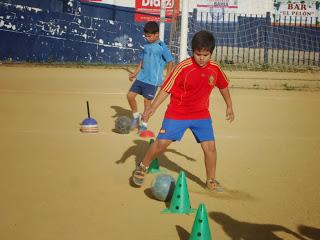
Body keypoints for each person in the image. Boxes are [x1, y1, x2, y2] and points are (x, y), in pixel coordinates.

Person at [131, 30, 235, 192]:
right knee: (161, 144)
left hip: (201, 115)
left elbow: (223, 85)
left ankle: (211, 180)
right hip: (178, 113)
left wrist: (229, 105)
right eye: (198, 54)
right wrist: (152, 108)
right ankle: (143, 166)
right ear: (193, 52)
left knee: (210, 148)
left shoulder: (215, 68)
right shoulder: (183, 67)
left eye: (205, 55)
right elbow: (166, 89)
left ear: (211, 53)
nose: (201, 58)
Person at [127, 21, 174, 133]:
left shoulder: (161, 46)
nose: (147, 38)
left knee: (147, 104)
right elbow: (142, 61)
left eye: (149, 36)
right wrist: (135, 73)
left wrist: (167, 77)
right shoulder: (146, 46)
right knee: (130, 96)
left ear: (156, 34)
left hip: (152, 81)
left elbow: (170, 62)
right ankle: (135, 117)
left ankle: (144, 124)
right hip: (141, 78)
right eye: (146, 36)